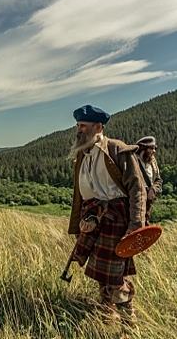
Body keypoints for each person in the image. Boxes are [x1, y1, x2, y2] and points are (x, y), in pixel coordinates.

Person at [68, 105, 147, 325]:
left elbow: (137, 188)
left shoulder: (116, 150)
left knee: (114, 275)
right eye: (77, 126)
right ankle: (106, 314)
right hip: (92, 218)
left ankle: (128, 324)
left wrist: (136, 225)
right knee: (100, 273)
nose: (79, 130)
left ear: (98, 127)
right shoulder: (83, 154)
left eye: (83, 126)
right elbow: (81, 194)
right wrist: (82, 221)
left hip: (116, 219)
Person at [135, 136, 162, 224]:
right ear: (143, 148)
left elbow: (158, 180)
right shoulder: (133, 161)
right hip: (135, 200)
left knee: (146, 223)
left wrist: (153, 189)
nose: (154, 151)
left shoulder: (153, 162)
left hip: (148, 201)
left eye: (155, 149)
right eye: (151, 148)